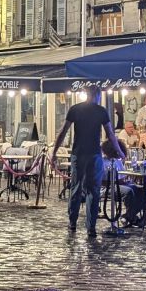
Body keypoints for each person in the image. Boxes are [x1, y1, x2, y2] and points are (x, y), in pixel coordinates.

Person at [52, 89, 117, 237]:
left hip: (78, 153)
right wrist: (119, 151)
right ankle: (91, 227)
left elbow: (63, 131)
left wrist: (54, 152)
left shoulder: (75, 109)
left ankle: (72, 222)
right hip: (94, 153)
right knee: (93, 191)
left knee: (75, 188)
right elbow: (110, 134)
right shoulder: (101, 111)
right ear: (97, 95)